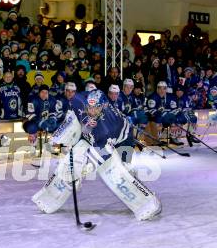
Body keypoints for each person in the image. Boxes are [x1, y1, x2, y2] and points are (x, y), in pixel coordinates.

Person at [32, 89, 161, 221]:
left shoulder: (109, 127)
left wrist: (82, 170)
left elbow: (103, 152)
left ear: (103, 106)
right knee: (73, 159)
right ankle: (48, 197)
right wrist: (58, 138)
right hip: (96, 137)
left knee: (118, 174)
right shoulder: (82, 101)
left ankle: (147, 203)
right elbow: (74, 107)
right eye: (90, 107)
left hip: (122, 141)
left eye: (96, 108)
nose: (92, 111)